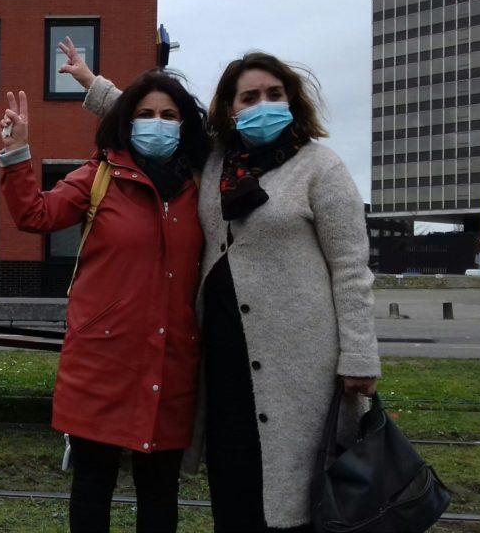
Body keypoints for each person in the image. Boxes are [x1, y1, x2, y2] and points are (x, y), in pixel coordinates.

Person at [59, 39, 380, 532]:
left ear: (293, 100)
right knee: (232, 482)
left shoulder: (322, 168)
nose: (263, 106)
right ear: (229, 110)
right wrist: (89, 82)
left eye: (274, 94)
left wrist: (359, 357)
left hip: (298, 363)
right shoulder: (214, 163)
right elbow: (154, 114)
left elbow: (351, 268)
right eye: (248, 98)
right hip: (225, 358)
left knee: (296, 489)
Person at [0, 69, 209, 532]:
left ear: (185, 124)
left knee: (160, 492)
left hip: (172, 360)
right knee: (93, 484)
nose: (158, 123)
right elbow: (35, 213)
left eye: (169, 115)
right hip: (101, 361)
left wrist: (94, 82)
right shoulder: (100, 174)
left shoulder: (201, 185)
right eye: (146, 114)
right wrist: (17, 152)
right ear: (128, 122)